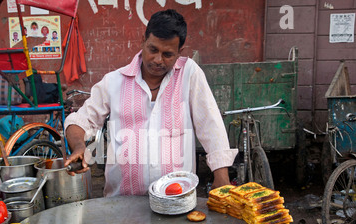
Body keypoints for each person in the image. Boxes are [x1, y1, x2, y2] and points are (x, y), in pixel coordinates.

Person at [64, 9, 237, 197]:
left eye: (167, 54)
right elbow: (80, 121)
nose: (157, 60)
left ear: (180, 52)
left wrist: (221, 177)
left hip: (178, 200)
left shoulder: (189, 74)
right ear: (143, 41)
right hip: (123, 202)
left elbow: (211, 125)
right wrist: (79, 147)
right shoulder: (114, 81)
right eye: (153, 50)